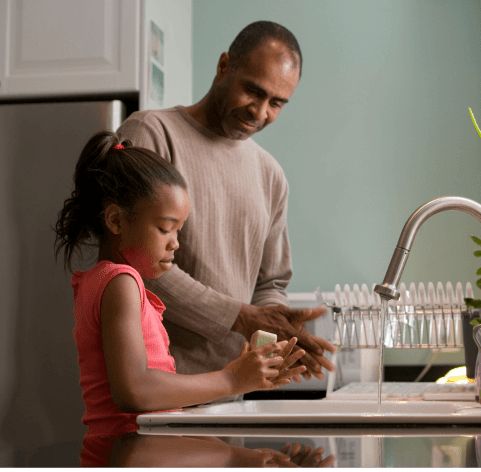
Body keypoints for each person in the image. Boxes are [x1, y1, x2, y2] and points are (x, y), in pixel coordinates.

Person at [54, 131, 306, 466]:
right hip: (129, 456)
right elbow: (135, 391)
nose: (175, 243)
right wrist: (232, 379)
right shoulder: (121, 282)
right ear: (116, 220)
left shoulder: (104, 281)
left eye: (179, 230)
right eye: (165, 228)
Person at [117, 21, 336, 382]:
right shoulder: (151, 134)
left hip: (230, 390)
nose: (260, 112)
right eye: (253, 90)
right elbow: (135, 261)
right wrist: (241, 316)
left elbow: (270, 284)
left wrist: (276, 328)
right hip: (154, 386)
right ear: (223, 66)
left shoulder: (271, 175)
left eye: (277, 103)